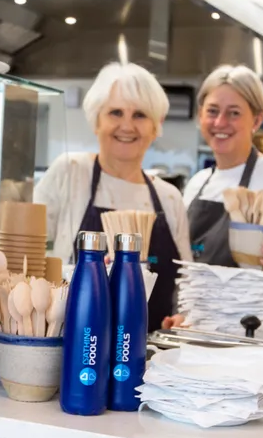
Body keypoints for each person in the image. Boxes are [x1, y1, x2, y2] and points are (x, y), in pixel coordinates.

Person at [34, 62, 192, 332]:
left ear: (156, 126)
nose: (127, 126)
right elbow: (32, 259)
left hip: (154, 357)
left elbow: (186, 284)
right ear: (97, 120)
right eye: (116, 112)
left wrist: (184, 317)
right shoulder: (71, 171)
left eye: (140, 115)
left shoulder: (169, 198)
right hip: (76, 346)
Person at [165, 65, 263, 329]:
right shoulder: (197, 184)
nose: (220, 123)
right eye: (212, 111)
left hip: (251, 348)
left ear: (257, 120)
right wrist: (182, 315)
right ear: (200, 116)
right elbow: (186, 279)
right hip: (195, 342)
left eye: (234, 113)